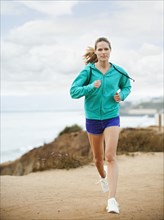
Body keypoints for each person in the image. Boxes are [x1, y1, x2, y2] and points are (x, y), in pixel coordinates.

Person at [70, 37, 132, 214]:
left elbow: (127, 86)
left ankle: (112, 200)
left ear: (110, 51)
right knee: (98, 160)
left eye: (106, 49)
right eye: (100, 49)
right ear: (96, 52)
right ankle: (103, 177)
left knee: (110, 156)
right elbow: (73, 92)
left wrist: (122, 95)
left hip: (112, 116)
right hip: (93, 119)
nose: (103, 52)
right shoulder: (88, 71)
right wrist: (90, 87)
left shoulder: (119, 71)